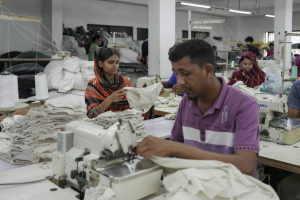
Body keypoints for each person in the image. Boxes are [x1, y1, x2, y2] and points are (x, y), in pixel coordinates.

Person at [137, 39, 259, 176]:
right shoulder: (187, 102)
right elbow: (175, 148)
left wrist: (175, 149)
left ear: (207, 70)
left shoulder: (244, 105)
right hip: (193, 187)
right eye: (176, 74)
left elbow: (246, 166)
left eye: (186, 74)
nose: (180, 82)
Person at [85, 48, 163, 120]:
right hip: (103, 127)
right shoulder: (93, 85)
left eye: (117, 62)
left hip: (126, 125)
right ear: (101, 64)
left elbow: (137, 103)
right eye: (110, 62)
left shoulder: (124, 82)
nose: (115, 65)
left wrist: (153, 93)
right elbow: (93, 115)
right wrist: (110, 99)